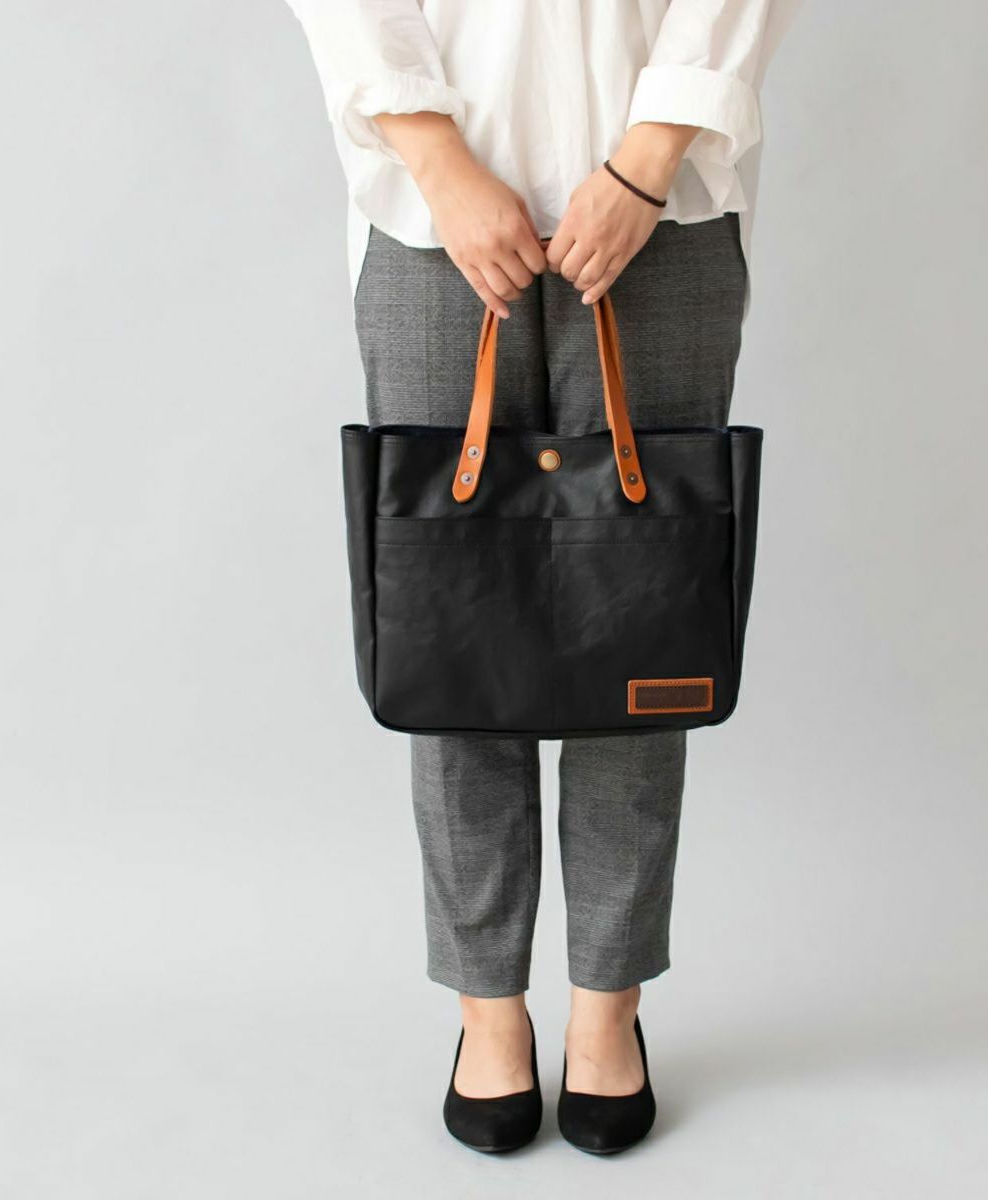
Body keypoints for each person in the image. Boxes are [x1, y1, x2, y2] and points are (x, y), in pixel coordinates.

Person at [284, 0, 803, 1155]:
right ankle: (489, 1013)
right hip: (428, 215)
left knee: (639, 632)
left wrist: (646, 160)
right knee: (453, 639)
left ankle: (609, 1009)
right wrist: (439, 163)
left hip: (667, 206)